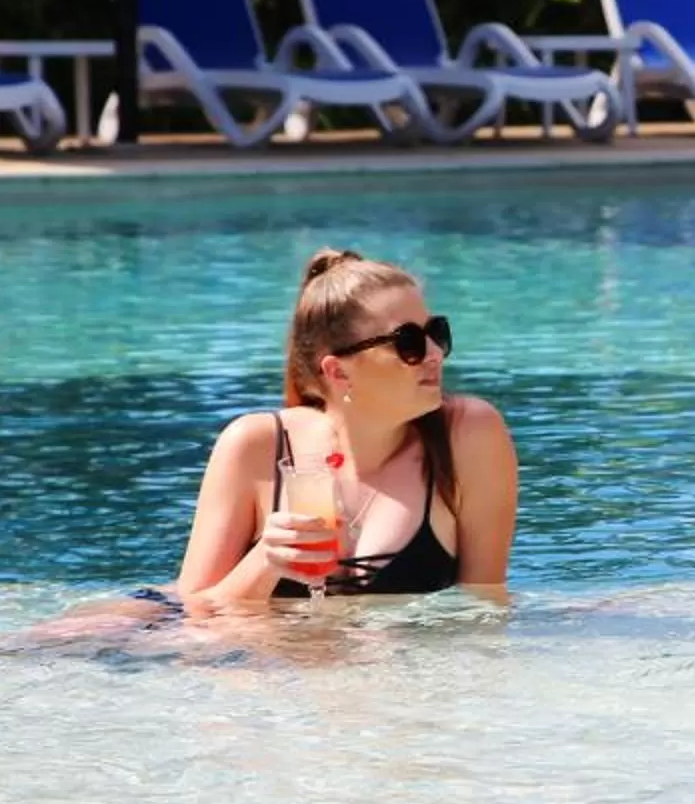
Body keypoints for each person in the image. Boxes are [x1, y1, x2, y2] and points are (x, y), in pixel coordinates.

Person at [175, 249, 517, 609]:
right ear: (338, 372)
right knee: (116, 622)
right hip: (280, 659)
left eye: (436, 332)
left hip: (400, 664)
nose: (434, 353)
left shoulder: (468, 434)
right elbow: (193, 614)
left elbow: (485, 606)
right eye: (408, 342)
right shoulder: (255, 445)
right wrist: (265, 561)